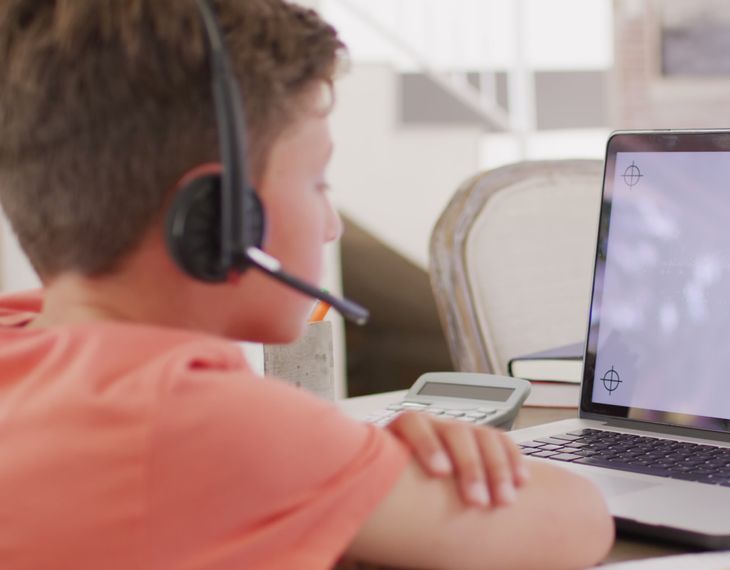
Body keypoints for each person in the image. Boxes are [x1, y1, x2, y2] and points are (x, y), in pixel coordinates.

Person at [0, 1, 614, 568]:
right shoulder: (201, 422)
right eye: (319, 183)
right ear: (216, 217)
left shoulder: (18, 337)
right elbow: (577, 522)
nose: (331, 225)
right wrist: (364, 458)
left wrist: (345, 456)